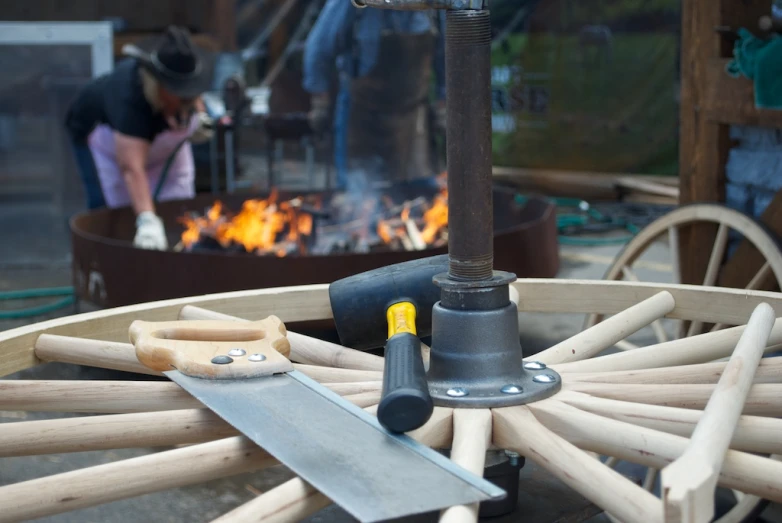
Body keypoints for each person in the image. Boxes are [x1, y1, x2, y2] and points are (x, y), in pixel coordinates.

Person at [65, 26, 214, 250]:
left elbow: (193, 93)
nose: (188, 96)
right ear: (160, 84)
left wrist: (200, 116)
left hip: (161, 151)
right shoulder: (130, 100)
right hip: (108, 151)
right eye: (180, 91)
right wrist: (147, 220)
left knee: (179, 212)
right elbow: (131, 169)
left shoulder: (184, 89)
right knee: (114, 217)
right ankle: (111, 265)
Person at [302, 1, 446, 190]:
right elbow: (320, 47)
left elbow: (447, 54)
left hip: (412, 119)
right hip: (361, 116)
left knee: (420, 195)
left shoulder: (435, 5)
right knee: (356, 195)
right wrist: (319, 101)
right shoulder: (352, 4)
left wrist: (445, 102)